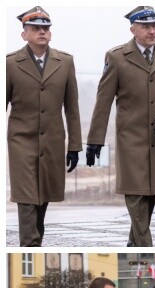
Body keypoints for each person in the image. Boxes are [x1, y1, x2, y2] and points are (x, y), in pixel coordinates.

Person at [86, 6, 155, 247]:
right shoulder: (116, 57)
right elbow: (104, 100)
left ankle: (134, 241)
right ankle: (145, 246)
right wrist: (95, 140)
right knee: (135, 192)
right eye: (146, 26)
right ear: (132, 29)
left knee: (152, 192)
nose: (152, 31)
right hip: (130, 138)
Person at [7, 6, 82, 247]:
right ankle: (29, 244)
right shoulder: (9, 64)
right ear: (24, 34)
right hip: (21, 141)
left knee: (43, 199)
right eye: (36, 28)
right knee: (27, 198)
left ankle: (34, 241)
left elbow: (72, 107)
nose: (42, 32)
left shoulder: (65, 62)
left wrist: (75, 146)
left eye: (45, 28)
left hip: (52, 141)